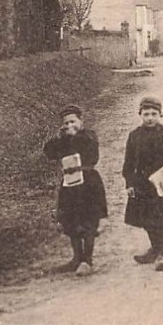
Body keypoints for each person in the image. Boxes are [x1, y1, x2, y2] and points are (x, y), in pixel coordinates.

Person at [43, 105, 107, 276]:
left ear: (81, 122)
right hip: (70, 185)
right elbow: (49, 153)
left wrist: (75, 136)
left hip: (88, 184)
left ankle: (87, 260)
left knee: (89, 220)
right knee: (71, 220)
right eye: (66, 123)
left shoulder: (88, 136)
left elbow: (92, 154)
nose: (70, 125)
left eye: (73, 121)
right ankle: (76, 258)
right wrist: (59, 137)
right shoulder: (63, 140)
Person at [122, 96, 163, 272]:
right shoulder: (134, 136)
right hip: (142, 184)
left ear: (160, 115)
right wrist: (129, 183)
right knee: (146, 219)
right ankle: (154, 249)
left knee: (161, 219)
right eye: (146, 114)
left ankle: (161, 253)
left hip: (161, 182)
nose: (150, 117)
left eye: (154, 114)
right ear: (140, 114)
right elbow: (129, 162)